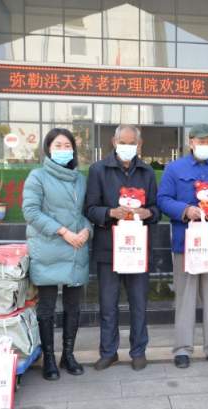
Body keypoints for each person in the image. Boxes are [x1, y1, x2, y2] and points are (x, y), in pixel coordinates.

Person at [157, 124, 208, 369]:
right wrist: (185, 210)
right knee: (185, 296)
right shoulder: (174, 169)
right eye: (201, 141)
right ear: (190, 142)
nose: (205, 146)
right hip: (186, 243)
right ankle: (183, 349)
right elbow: (162, 199)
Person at [84, 124, 160, 372]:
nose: (127, 147)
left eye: (132, 143)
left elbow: (157, 209)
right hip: (109, 248)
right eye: (123, 142)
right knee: (108, 304)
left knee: (139, 303)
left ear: (139, 145)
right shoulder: (98, 170)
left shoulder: (147, 172)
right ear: (114, 142)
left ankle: (138, 351)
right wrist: (110, 212)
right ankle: (109, 352)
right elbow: (89, 208)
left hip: (137, 249)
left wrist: (148, 212)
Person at [22, 128, 93, 381]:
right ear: (48, 149)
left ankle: (68, 355)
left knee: (74, 306)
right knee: (47, 307)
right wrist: (63, 231)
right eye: (58, 145)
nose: (63, 150)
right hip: (49, 247)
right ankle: (49, 358)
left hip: (76, 247)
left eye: (67, 146)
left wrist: (87, 229)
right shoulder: (38, 176)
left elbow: (85, 211)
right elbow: (31, 211)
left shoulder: (80, 179)